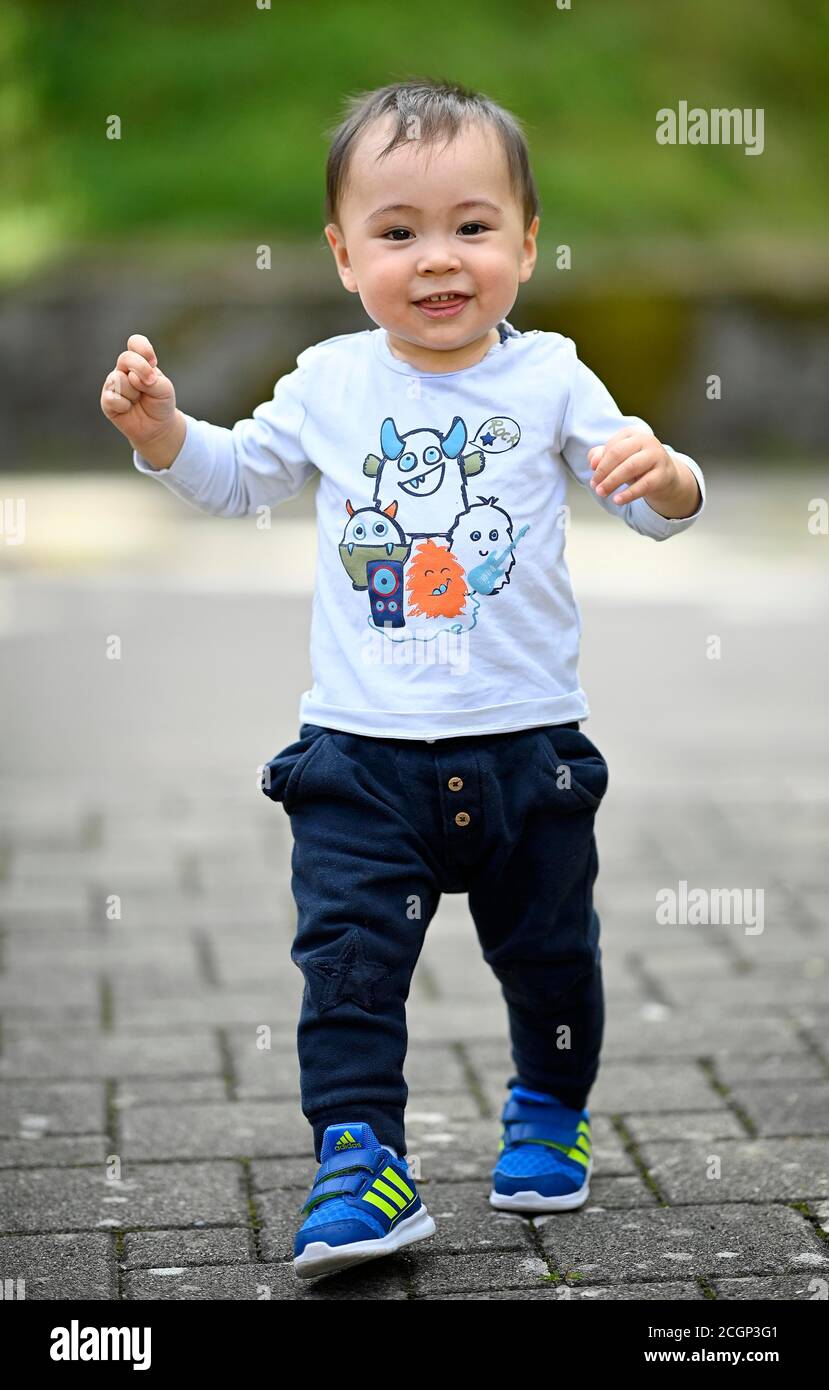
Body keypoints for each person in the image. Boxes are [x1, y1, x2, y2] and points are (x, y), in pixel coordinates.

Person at [100, 78, 706, 1282]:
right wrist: (164, 432)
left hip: (528, 750)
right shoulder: (329, 382)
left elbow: (651, 510)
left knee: (550, 956)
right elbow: (236, 478)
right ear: (341, 253)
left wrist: (670, 472)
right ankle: (360, 1157)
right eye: (397, 232)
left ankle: (547, 1107)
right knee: (345, 967)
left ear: (527, 243)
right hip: (359, 758)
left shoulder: (552, 379)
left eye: (473, 228)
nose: (439, 260)